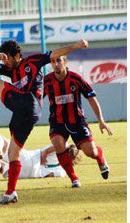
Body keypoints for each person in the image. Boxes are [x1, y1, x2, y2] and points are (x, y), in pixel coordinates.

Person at [0, 39, 89, 204]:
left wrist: (75, 46)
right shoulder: (10, 70)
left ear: (18, 55)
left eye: (8, 58)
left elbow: (56, 53)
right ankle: (11, 192)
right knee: (13, 154)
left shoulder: (32, 61)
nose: (5, 61)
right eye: (4, 58)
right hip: (25, 114)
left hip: (30, 103)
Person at [43, 55, 113, 188]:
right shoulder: (46, 81)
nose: (56, 64)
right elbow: (36, 97)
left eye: (59, 61)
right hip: (57, 122)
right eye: (53, 61)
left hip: (77, 122)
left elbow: (91, 98)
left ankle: (100, 158)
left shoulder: (76, 79)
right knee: (59, 145)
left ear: (65, 62)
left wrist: (101, 120)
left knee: (90, 152)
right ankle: (74, 179)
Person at [0, 132, 81, 179]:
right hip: (30, 174)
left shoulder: (63, 146)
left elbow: (57, 147)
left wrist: (45, 154)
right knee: (3, 169)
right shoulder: (63, 172)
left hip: (29, 158)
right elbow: (49, 175)